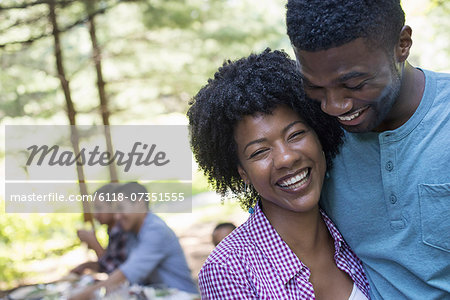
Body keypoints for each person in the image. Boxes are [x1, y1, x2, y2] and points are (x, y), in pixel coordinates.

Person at [286, 1, 450, 298]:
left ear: (402, 44)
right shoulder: (312, 135)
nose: (334, 106)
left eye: (355, 84)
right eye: (315, 88)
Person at [188, 49, 369, 299]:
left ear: (319, 134)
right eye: (260, 151)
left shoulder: (354, 233)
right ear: (243, 172)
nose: (286, 158)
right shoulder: (229, 270)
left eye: (295, 135)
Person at [70, 182, 198, 299]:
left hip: (182, 296)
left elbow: (126, 273)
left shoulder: (156, 231)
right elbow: (119, 270)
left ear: (139, 203)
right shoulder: (132, 232)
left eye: (120, 208)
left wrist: (84, 294)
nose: (117, 216)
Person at [71, 183, 129, 275]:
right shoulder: (111, 230)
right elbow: (110, 261)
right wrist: (87, 266)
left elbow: (115, 271)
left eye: (99, 208)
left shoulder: (123, 229)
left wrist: (94, 242)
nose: (95, 214)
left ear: (113, 206)